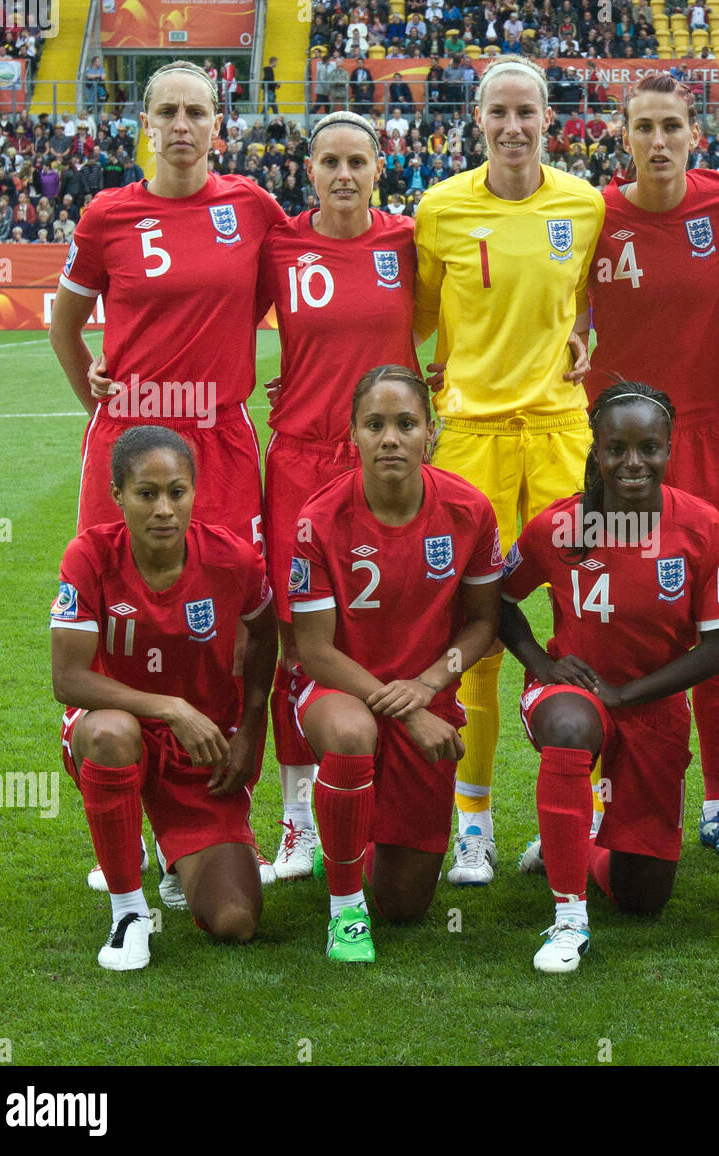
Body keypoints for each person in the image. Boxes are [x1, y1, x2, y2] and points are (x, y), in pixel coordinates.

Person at [49, 60, 287, 888]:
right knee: (117, 613)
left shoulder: (251, 208)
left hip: (217, 439)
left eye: (197, 112)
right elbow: (65, 319)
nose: (182, 125)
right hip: (131, 434)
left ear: (218, 124)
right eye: (167, 112)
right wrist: (97, 400)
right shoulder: (107, 214)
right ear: (143, 124)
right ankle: (118, 801)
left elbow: (298, 299)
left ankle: (217, 809)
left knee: (230, 622)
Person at [413, 55, 605, 884]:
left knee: (585, 619)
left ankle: (585, 814)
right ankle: (475, 824)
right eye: (500, 112)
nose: (515, 125)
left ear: (548, 119)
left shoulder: (584, 202)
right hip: (470, 440)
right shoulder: (441, 208)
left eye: (528, 111)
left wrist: (583, 331)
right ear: (478, 120)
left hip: (562, 433)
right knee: (477, 637)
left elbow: (588, 294)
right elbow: (417, 317)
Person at [500, 383, 719, 973]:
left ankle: (573, 843)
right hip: (572, 691)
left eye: (649, 448)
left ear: (668, 448)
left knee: (644, 896)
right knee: (572, 722)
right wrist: (541, 663)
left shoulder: (701, 526)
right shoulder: (559, 526)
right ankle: (567, 919)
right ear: (597, 451)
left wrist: (628, 693)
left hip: (650, 705)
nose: (633, 464)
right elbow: (496, 599)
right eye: (617, 449)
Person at [587, 73, 719, 860]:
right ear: (623, 136)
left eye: (673, 127)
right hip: (613, 453)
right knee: (606, 622)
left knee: (713, 622)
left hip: (700, 439)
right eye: (644, 126)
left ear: (696, 133)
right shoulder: (591, 216)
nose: (659, 140)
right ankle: (597, 801)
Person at [289, 366, 502, 961]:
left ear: (430, 433)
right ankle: (344, 911)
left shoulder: (469, 510)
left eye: (406, 424)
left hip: (427, 697)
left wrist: (430, 684)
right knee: (354, 732)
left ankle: (353, 829)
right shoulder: (319, 518)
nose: (390, 438)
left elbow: (484, 622)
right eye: (375, 424)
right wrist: (406, 711)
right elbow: (315, 650)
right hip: (338, 692)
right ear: (352, 434)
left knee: (406, 906)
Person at [258, 111, 419, 880]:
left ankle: (404, 801)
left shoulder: (410, 241)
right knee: (297, 640)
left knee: (389, 626)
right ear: (310, 170)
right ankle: (295, 819)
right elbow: (215, 312)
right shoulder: (278, 243)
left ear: (379, 168)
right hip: (297, 460)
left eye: (358, 161)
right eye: (330, 162)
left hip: (378, 463)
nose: (344, 174)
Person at [51, 426, 279, 970]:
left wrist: (249, 728)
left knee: (235, 921)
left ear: (194, 492)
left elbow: (267, 635)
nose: (163, 509)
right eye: (145, 493)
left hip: (201, 755)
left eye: (176, 492)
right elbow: (68, 678)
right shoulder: (89, 556)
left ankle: (172, 856)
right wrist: (172, 708)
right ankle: (128, 912)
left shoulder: (233, 561)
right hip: (121, 732)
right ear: (117, 496)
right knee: (111, 733)